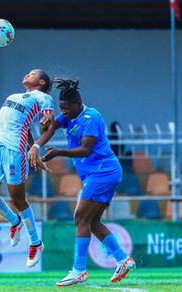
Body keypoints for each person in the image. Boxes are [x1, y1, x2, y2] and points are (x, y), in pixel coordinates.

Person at [41, 79, 135, 286]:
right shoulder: (69, 116)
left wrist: (58, 152)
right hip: (98, 174)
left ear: (78, 104)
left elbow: (86, 149)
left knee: (80, 217)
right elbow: (51, 128)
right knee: (91, 222)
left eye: (66, 108)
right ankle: (122, 259)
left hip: (103, 172)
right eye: (61, 108)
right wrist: (38, 142)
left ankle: (79, 270)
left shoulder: (90, 117)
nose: (63, 112)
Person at [0, 69, 55, 267]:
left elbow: (48, 123)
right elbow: (25, 127)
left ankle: (36, 242)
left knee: (17, 197)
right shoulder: (13, 96)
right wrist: (34, 147)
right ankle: (15, 222)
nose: (27, 74)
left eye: (32, 73)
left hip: (14, 148)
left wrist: (37, 144)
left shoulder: (44, 97)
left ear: (41, 82)